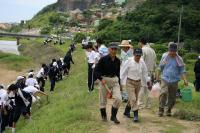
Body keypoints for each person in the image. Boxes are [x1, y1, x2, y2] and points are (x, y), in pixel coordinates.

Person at [157, 42, 188, 117]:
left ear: (176, 51)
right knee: (163, 93)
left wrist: (185, 80)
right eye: (171, 51)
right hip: (165, 78)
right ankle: (161, 109)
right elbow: (160, 67)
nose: (172, 53)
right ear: (168, 50)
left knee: (172, 97)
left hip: (174, 80)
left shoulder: (179, 59)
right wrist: (157, 76)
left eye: (174, 51)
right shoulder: (165, 56)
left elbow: (182, 70)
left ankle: (168, 110)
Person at [95, 43, 122, 124]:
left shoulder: (118, 61)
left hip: (114, 80)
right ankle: (104, 116)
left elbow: (118, 73)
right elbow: (96, 70)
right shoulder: (103, 59)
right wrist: (100, 78)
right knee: (102, 100)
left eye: (115, 49)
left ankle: (113, 116)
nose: (114, 51)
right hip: (104, 80)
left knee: (118, 98)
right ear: (109, 49)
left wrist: (119, 84)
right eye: (112, 49)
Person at [121, 48, 148, 122]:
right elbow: (123, 71)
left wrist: (147, 81)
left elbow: (145, 72)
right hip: (130, 82)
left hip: (138, 83)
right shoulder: (129, 61)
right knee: (133, 99)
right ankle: (136, 115)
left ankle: (126, 112)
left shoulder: (142, 62)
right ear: (134, 55)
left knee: (132, 98)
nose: (138, 57)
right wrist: (121, 82)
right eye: (137, 55)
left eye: (139, 56)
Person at [138, 38, 157, 109]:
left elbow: (141, 62)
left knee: (142, 88)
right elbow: (155, 64)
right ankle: (148, 105)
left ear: (141, 42)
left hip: (144, 72)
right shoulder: (153, 51)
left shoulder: (143, 50)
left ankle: (140, 104)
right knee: (149, 88)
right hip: (151, 72)